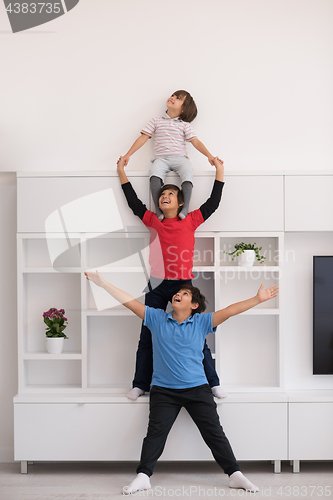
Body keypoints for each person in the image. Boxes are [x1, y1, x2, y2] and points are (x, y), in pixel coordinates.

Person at [84, 270, 279, 494]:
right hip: (164, 391)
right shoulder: (156, 319)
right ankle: (143, 476)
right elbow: (129, 301)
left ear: (194, 305)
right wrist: (102, 283)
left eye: (185, 293)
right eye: (178, 292)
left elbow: (230, 311)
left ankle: (235, 474)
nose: (178, 294)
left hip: (197, 390)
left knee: (214, 433)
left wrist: (257, 299)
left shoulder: (202, 322)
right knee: (155, 434)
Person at [116, 155, 226, 401]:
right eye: (161, 195)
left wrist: (219, 170)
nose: (164, 197)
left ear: (180, 202)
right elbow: (134, 202)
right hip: (156, 285)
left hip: (184, 284)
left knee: (197, 335)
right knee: (147, 336)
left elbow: (214, 202)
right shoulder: (153, 221)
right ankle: (140, 384)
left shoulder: (191, 220)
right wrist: (122, 172)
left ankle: (213, 382)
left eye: (170, 195)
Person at [121, 90, 217, 220]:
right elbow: (143, 138)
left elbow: (195, 142)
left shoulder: (184, 125)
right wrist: (128, 154)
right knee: (154, 174)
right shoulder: (156, 120)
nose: (172, 98)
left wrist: (209, 156)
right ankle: (158, 209)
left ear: (183, 109)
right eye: (173, 95)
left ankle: (185, 207)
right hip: (161, 159)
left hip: (180, 158)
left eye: (178, 98)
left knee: (188, 170)